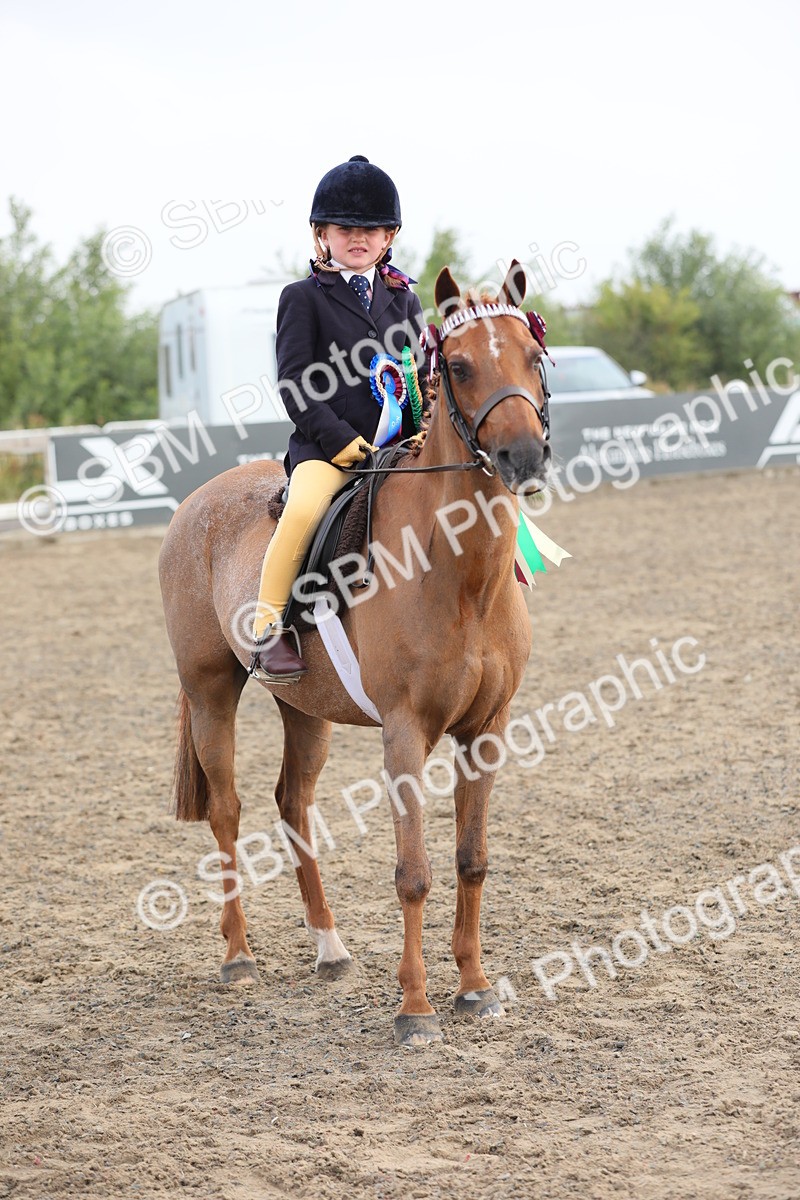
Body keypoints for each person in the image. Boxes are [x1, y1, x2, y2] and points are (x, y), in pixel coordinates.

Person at [249, 155, 427, 683]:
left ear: (389, 235)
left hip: (400, 447)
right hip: (329, 450)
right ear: (320, 234)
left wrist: (423, 428)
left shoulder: (406, 300)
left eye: (371, 229)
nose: (358, 238)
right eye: (345, 228)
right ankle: (267, 628)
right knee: (303, 510)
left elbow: (416, 377)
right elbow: (295, 383)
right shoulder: (302, 298)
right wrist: (340, 441)